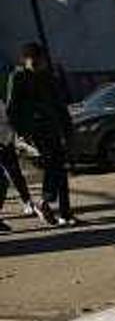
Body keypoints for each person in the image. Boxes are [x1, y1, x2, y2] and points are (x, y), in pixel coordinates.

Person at [6, 42, 74, 226]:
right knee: (53, 165)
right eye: (33, 63)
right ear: (24, 61)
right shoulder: (18, 77)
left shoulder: (48, 77)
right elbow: (12, 108)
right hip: (33, 132)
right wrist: (20, 133)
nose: (37, 65)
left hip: (52, 128)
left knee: (59, 167)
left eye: (39, 62)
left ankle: (64, 212)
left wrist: (68, 130)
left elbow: (59, 105)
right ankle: (47, 203)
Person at [0, 98, 35, 232]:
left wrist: (13, 138)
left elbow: (7, 120)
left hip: (6, 141)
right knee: (3, 181)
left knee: (14, 175)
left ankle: (27, 201)